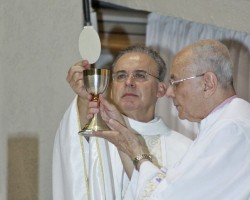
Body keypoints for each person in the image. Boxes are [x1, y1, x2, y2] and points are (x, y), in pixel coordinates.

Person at [91, 39, 250, 200]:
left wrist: (137, 151)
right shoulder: (229, 123)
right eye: (121, 76)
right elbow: (166, 185)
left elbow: (167, 195)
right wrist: (127, 142)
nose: (170, 92)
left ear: (207, 83)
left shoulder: (231, 130)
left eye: (176, 83)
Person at [52, 45, 192, 200]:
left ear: (160, 89)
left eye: (140, 75)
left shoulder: (186, 151)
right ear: (111, 89)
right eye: (121, 76)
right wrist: (85, 99)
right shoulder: (99, 140)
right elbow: (74, 153)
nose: (129, 82)